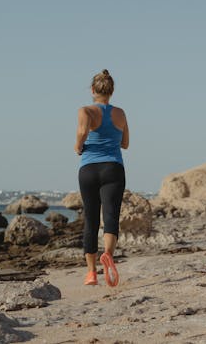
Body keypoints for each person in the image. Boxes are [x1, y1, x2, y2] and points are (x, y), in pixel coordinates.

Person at [74, 69, 129, 287]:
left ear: (92, 90)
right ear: (111, 91)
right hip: (113, 168)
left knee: (91, 219)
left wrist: (78, 147)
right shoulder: (121, 113)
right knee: (111, 216)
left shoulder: (85, 111)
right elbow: (125, 144)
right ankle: (107, 253)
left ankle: (91, 273)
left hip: (89, 169)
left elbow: (82, 133)